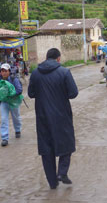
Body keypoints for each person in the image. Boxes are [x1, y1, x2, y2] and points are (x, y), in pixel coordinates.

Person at [28, 48, 79, 189]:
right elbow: (73, 93)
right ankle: (62, 172)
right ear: (58, 58)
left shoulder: (35, 73)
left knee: (46, 149)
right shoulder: (64, 72)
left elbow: (31, 93)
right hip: (62, 116)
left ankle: (52, 182)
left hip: (42, 117)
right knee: (67, 144)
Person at [0, 63, 23, 146]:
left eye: (6, 71)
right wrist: (2, 95)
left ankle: (17, 130)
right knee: (4, 119)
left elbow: (19, 90)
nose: (4, 73)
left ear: (9, 71)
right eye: (2, 71)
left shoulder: (14, 79)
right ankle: (4, 138)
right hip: (4, 102)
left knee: (16, 117)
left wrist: (10, 94)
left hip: (13, 102)